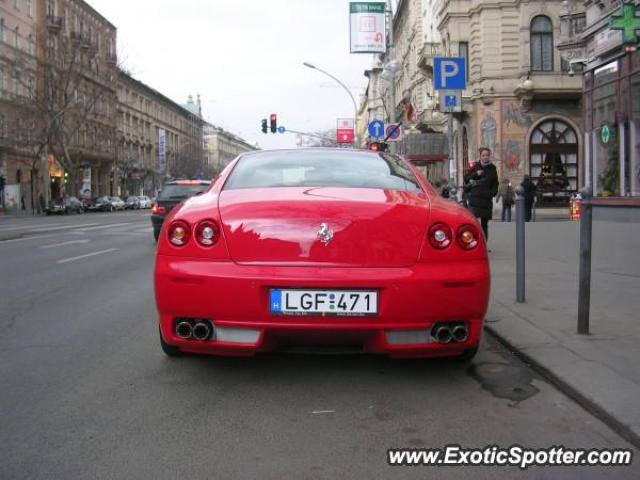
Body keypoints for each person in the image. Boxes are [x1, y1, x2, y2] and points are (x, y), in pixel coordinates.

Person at [463, 147, 499, 241]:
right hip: (475, 199)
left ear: (489, 156)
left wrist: (492, 193)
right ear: (480, 156)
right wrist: (476, 174)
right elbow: (466, 178)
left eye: (487, 155)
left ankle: (484, 245)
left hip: (486, 200)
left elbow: (495, 184)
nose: (485, 157)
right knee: (473, 223)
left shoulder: (492, 168)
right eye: (483, 155)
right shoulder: (475, 167)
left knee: (485, 225)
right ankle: (472, 243)